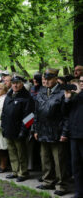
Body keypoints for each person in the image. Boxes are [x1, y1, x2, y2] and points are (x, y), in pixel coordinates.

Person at [34, 68, 69, 196]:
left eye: (49, 79)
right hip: (42, 131)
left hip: (57, 132)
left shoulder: (62, 93)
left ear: (55, 78)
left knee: (59, 161)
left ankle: (61, 185)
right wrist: (35, 129)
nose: (47, 82)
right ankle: (48, 181)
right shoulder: (42, 91)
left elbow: (66, 116)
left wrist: (64, 133)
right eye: (45, 79)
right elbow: (36, 113)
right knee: (45, 159)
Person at [2, 74, 34, 182]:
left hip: (19, 130)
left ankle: (23, 173)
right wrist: (3, 126)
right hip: (8, 128)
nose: (15, 85)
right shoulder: (9, 95)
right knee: (12, 152)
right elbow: (4, 112)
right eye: (13, 83)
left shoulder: (27, 97)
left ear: (22, 84)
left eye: (17, 83)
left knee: (21, 153)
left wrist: (23, 131)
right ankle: (15, 171)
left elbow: (29, 116)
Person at [64, 75, 83, 198]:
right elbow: (65, 112)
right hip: (74, 136)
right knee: (76, 166)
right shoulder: (76, 97)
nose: (82, 83)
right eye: (81, 81)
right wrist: (67, 99)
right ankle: (79, 192)